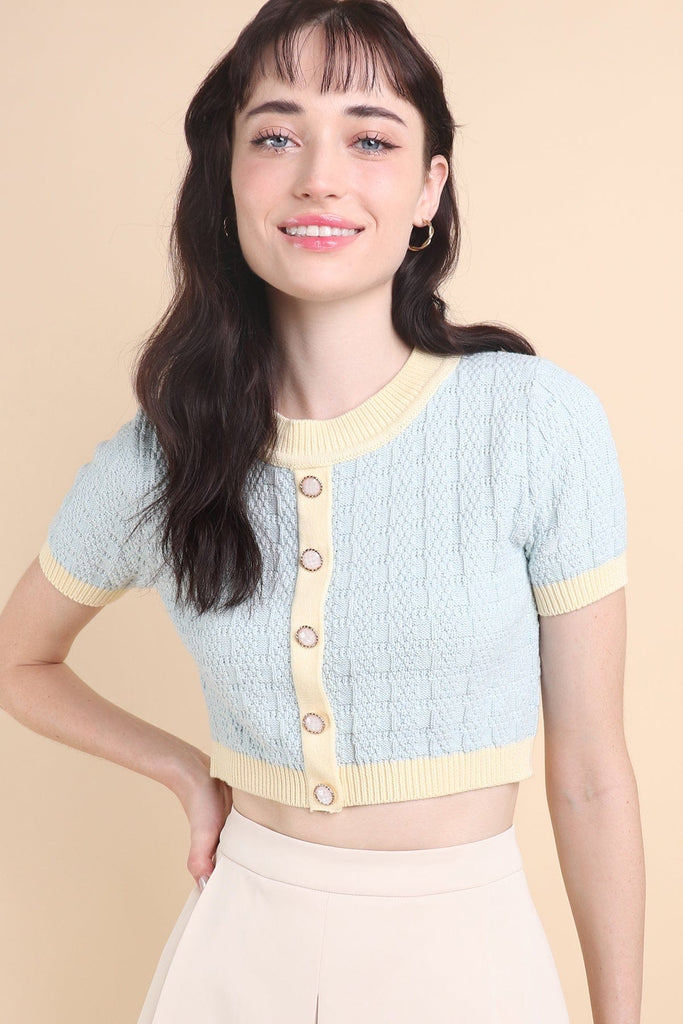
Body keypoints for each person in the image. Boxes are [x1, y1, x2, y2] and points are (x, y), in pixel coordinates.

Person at [0, 1, 645, 1022]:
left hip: (468, 968)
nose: (319, 176)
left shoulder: (532, 421)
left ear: (429, 188)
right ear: (227, 176)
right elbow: (17, 659)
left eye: (370, 139)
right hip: (234, 962)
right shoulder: (164, 457)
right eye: (275, 136)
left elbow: (592, 776)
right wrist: (182, 769)